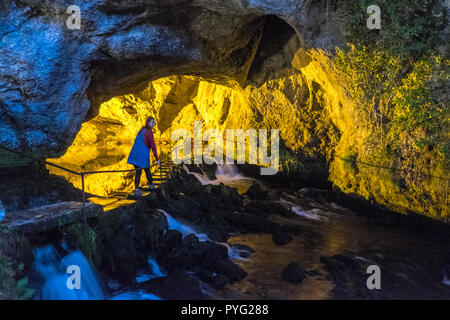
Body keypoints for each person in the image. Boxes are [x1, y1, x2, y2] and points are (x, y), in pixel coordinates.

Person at [127, 116, 160, 196]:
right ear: (148, 123)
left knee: (138, 172)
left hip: (135, 155)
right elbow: (153, 146)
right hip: (142, 155)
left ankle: (137, 189)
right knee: (147, 170)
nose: (154, 124)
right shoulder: (149, 132)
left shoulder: (141, 131)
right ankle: (151, 186)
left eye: (154, 123)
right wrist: (157, 159)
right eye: (152, 122)